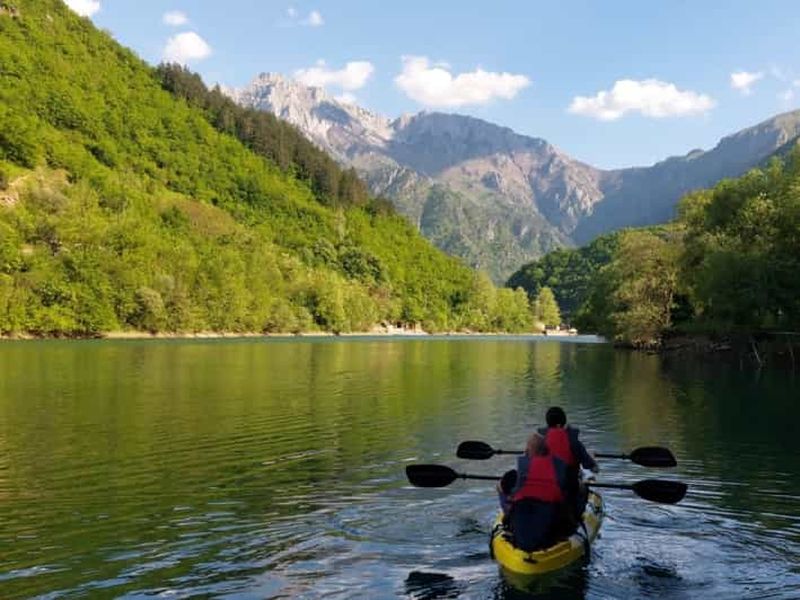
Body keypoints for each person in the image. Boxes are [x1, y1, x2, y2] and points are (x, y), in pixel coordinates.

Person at [496, 433, 568, 551]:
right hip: (550, 531)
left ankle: (509, 517)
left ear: (527, 452)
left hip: (524, 533)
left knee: (502, 488)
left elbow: (500, 488)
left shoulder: (516, 474)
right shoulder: (558, 470)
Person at [538, 406, 598, 525]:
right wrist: (593, 463)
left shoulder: (539, 441)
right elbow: (590, 466)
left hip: (543, 488)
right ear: (561, 424)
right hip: (567, 488)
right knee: (583, 489)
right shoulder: (573, 441)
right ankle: (575, 518)